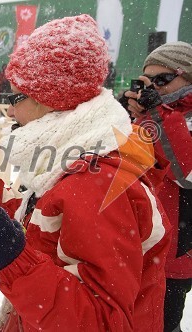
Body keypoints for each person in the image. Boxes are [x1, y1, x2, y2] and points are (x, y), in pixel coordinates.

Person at [0, 14, 171, 331]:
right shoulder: (80, 160)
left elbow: (102, 322)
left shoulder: (97, 185)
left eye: (15, 97)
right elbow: (57, 233)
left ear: (50, 101)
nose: (9, 110)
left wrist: (15, 264)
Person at [119, 41, 191, 332]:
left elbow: (185, 173)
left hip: (175, 253)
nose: (156, 88)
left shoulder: (170, 116)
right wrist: (129, 117)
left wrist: (155, 113)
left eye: (163, 79)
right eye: (149, 81)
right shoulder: (156, 114)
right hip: (138, 247)